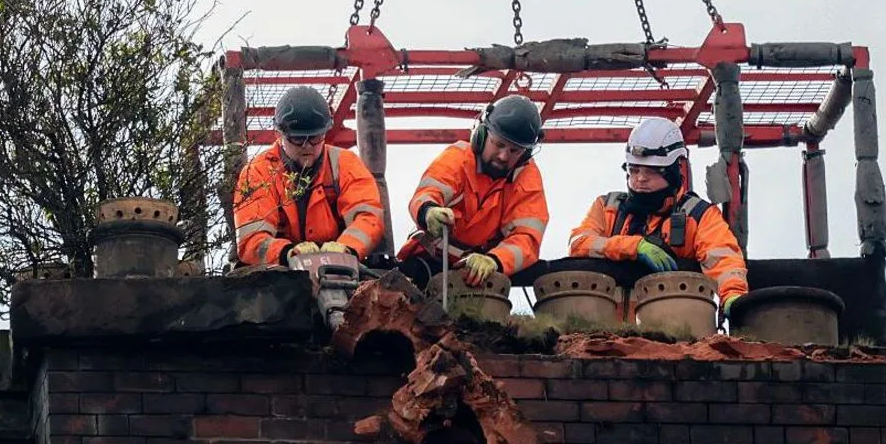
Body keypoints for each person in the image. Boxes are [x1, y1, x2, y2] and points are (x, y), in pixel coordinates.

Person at [568, 117, 748, 316]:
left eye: (651, 171)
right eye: (634, 170)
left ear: (673, 171)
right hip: (605, 336)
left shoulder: (698, 216)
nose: (640, 178)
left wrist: (733, 296)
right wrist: (633, 247)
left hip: (672, 335)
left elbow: (723, 259)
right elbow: (578, 243)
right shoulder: (607, 207)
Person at [396, 94, 549, 288]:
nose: (503, 156)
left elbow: (527, 238)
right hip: (424, 265)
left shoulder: (526, 177)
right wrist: (429, 211)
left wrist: (494, 260)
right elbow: (427, 193)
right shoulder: (458, 158)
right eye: (499, 144)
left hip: (475, 278)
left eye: (514, 151)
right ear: (481, 135)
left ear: (524, 154)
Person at [232, 86, 384, 266]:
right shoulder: (258, 172)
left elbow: (368, 218)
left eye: (314, 137)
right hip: (278, 270)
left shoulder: (346, 163)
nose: (307, 146)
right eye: (297, 138)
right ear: (278, 134)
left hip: (342, 265)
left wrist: (346, 249)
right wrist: (286, 254)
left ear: (325, 133)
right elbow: (252, 239)